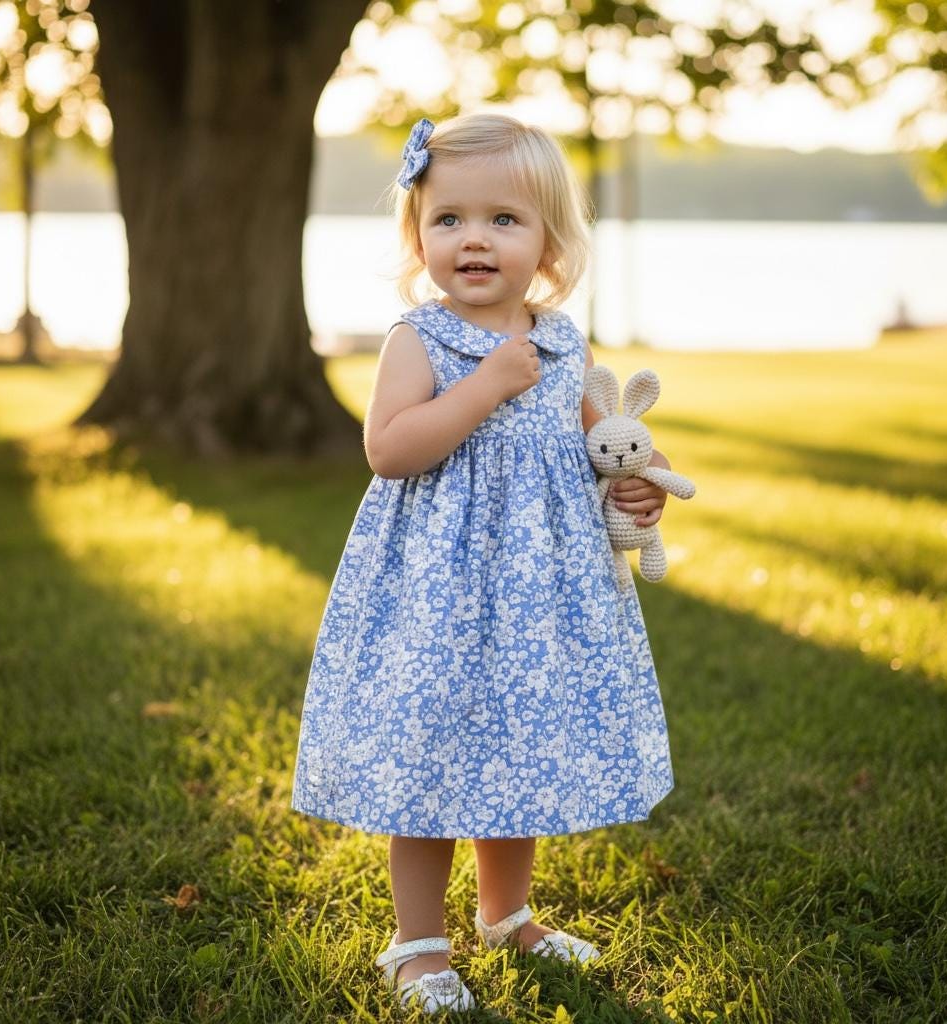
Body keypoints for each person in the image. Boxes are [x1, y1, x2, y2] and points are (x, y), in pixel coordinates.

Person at [290, 112, 677, 1014]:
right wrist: (484, 386)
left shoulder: (563, 344)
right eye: (450, 218)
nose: (475, 238)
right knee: (432, 753)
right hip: (436, 594)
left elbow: (601, 447)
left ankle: (507, 915)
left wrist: (639, 488)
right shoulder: (416, 341)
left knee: (521, 746)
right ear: (418, 233)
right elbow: (390, 449)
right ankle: (417, 942)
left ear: (547, 241)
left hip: (540, 598)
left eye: (504, 219)